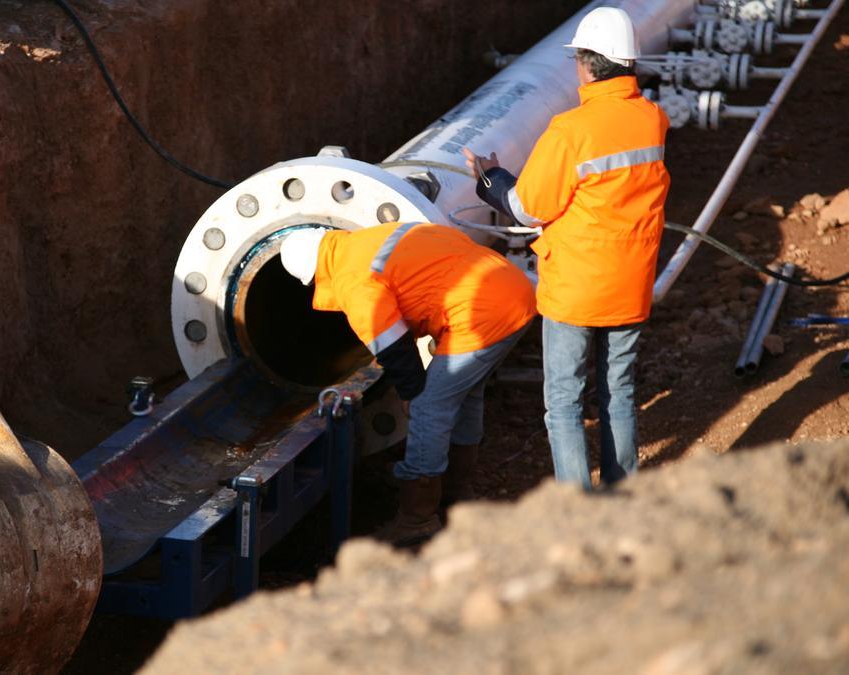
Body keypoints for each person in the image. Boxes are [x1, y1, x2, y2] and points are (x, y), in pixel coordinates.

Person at [464, 6, 671, 488]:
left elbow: (527, 207)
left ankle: (575, 510)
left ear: (585, 64)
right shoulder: (652, 119)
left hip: (576, 289)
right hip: (631, 282)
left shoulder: (570, 131)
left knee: (564, 401)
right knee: (618, 392)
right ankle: (623, 496)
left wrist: (490, 178)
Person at [279, 222, 535, 544]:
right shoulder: (372, 238)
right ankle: (457, 493)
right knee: (466, 396)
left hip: (481, 314)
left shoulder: (352, 281)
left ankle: (417, 518)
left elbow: (392, 346)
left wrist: (411, 393)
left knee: (429, 409)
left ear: (314, 274)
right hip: (513, 290)